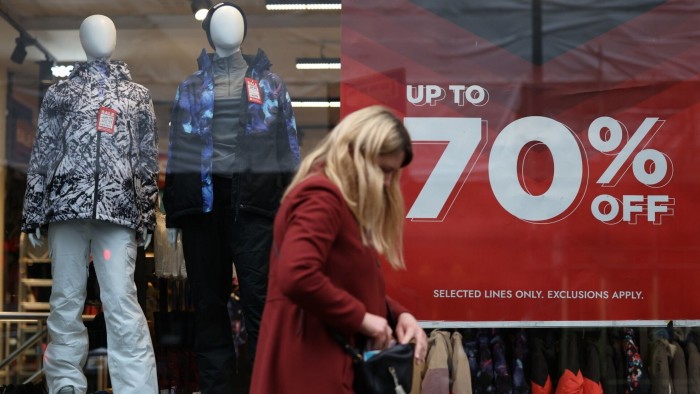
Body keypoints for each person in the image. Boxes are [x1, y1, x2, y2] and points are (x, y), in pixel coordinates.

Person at [163, 2, 301, 392]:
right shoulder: (190, 86)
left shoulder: (271, 85)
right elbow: (178, 152)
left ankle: (264, 385)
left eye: (235, 22)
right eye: (220, 24)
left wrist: (292, 211)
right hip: (203, 206)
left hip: (255, 204)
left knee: (259, 303)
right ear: (208, 34)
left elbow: (287, 150)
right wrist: (175, 212)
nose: (228, 29)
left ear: (245, 30)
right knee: (209, 305)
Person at [20, 14, 159, 394]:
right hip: (67, 208)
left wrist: (146, 213)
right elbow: (43, 154)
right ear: (81, 40)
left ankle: (136, 387)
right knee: (65, 299)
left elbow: (146, 159)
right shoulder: (60, 94)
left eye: (108, 31)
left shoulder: (137, 96)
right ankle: (65, 382)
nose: (101, 38)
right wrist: (33, 211)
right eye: (92, 32)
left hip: (117, 212)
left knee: (122, 301)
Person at [250, 105, 429, 393]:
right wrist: (363, 319)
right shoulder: (323, 196)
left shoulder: (337, 199)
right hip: (312, 367)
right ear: (358, 153)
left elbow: (345, 281)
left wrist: (397, 315)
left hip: (320, 362)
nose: (386, 182)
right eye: (383, 170)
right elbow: (297, 274)